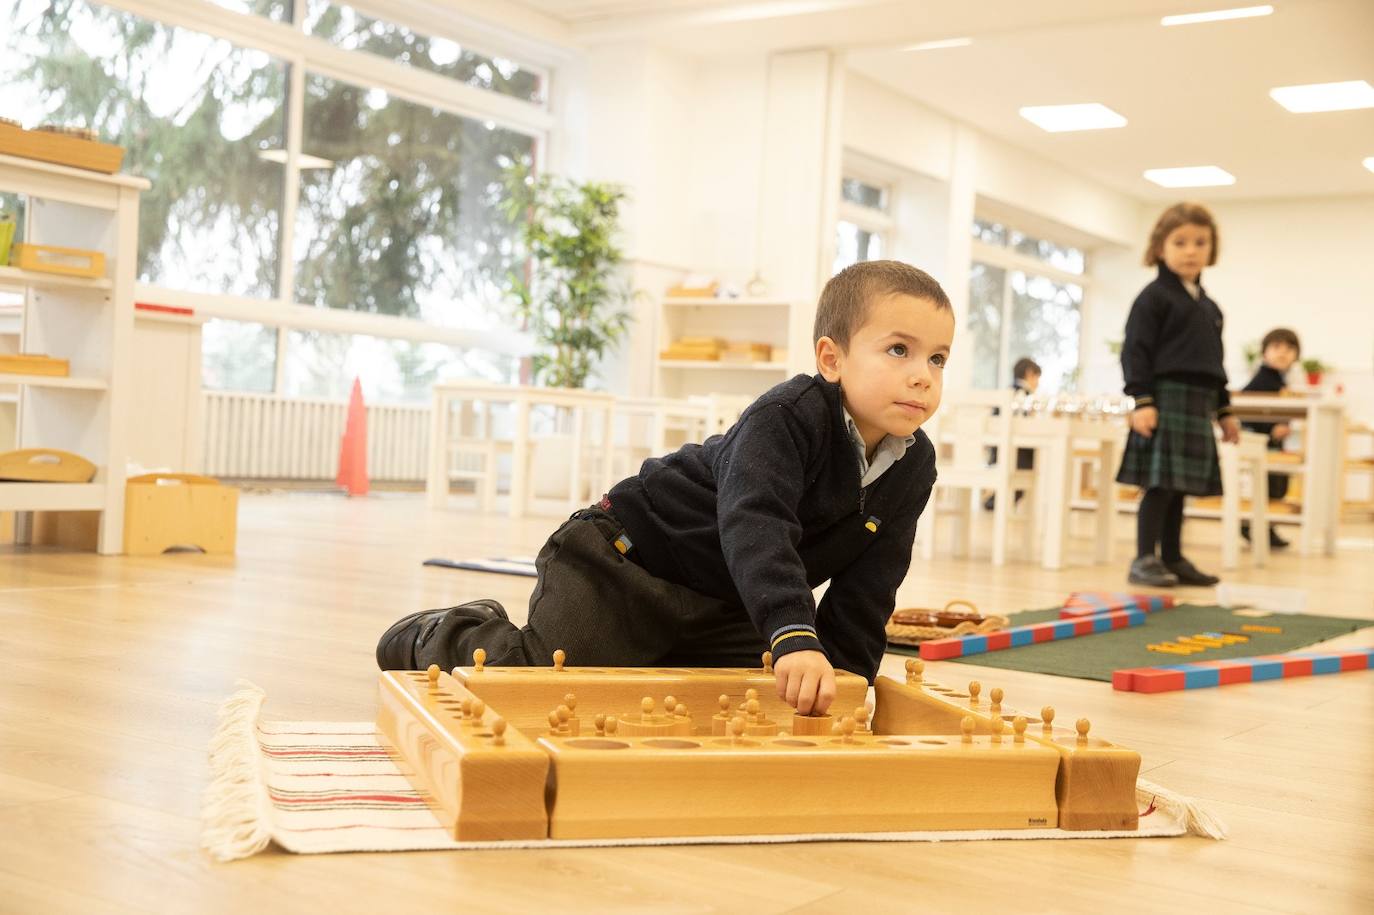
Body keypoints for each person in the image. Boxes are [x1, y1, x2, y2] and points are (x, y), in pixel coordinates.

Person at [376, 260, 951, 716]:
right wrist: (796, 634)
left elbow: (873, 579)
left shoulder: (913, 464)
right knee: (535, 678)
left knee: (755, 692)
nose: (922, 374)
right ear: (832, 358)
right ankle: (440, 632)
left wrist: (845, 679)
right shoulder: (786, 418)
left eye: (938, 358)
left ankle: (668, 645)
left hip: (723, 600)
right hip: (623, 562)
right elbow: (756, 525)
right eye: (898, 350)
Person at [1117, 202, 1240, 588]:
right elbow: (1135, 351)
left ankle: (1172, 556)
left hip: (1198, 400)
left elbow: (1214, 365)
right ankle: (1143, 557)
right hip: (1163, 397)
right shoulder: (1153, 297)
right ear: (1160, 248)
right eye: (1180, 241)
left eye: (1200, 242)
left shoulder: (1210, 308)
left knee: (1178, 487)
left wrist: (1224, 410)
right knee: (1160, 484)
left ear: (1211, 249)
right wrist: (1142, 400)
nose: (1191, 250)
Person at [1239, 327, 1301, 548]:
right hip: (1261, 442)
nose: (1283, 353)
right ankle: (1253, 526)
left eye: (1289, 348)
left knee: (1276, 485)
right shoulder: (1263, 379)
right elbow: (1245, 409)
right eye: (1276, 347)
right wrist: (1271, 428)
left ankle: (1266, 527)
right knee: (1267, 486)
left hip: (1272, 443)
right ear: (1265, 352)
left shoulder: (1278, 380)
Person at [984, 358, 1039, 510]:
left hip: (996, 453)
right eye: (1037, 377)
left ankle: (996, 501)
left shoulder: (1005, 392)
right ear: (1029, 374)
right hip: (1017, 458)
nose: (1038, 383)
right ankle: (997, 502)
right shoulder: (1025, 395)